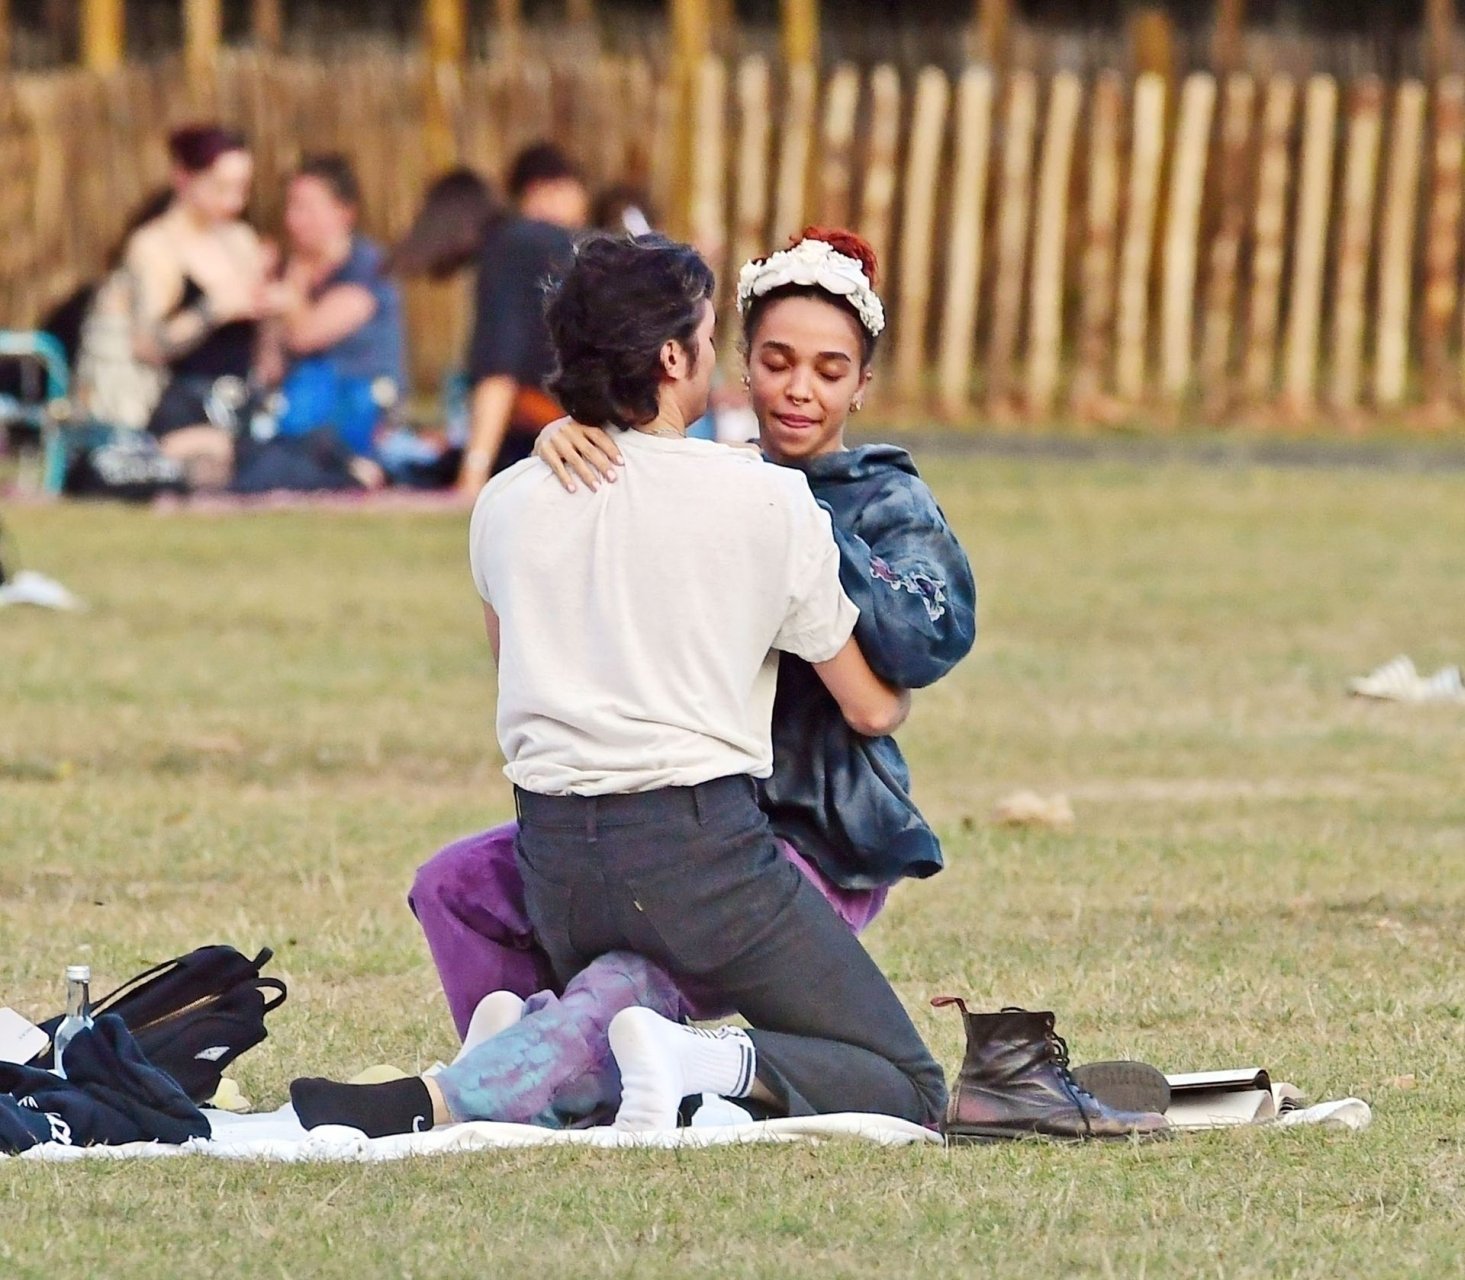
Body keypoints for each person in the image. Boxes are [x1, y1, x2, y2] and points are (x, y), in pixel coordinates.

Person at [290, 233, 948, 1137]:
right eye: (708, 337)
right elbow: (868, 707)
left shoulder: (506, 501)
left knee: (620, 968)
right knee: (911, 1085)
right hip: (700, 864)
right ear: (673, 357)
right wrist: (895, 699)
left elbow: (518, 672)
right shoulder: (764, 499)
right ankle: (695, 1059)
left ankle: (524, 1046)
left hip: (554, 869)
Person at [123, 125, 276, 490]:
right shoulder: (155, 246)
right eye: (221, 188)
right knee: (215, 464)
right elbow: (146, 346)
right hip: (187, 406)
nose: (234, 202)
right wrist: (211, 311)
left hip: (242, 401)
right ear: (183, 178)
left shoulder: (241, 240)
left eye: (242, 188)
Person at [453, 143, 587, 493]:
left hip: (548, 426)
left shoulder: (513, 245)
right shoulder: (596, 251)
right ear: (546, 188)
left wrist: (473, 470)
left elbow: (500, 362)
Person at [264, 154, 406, 481]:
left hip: (361, 409)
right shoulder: (292, 272)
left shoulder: (368, 268)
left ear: (345, 212)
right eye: (292, 207)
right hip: (300, 410)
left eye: (307, 208)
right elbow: (269, 369)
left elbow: (305, 336)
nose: (294, 220)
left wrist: (290, 292)